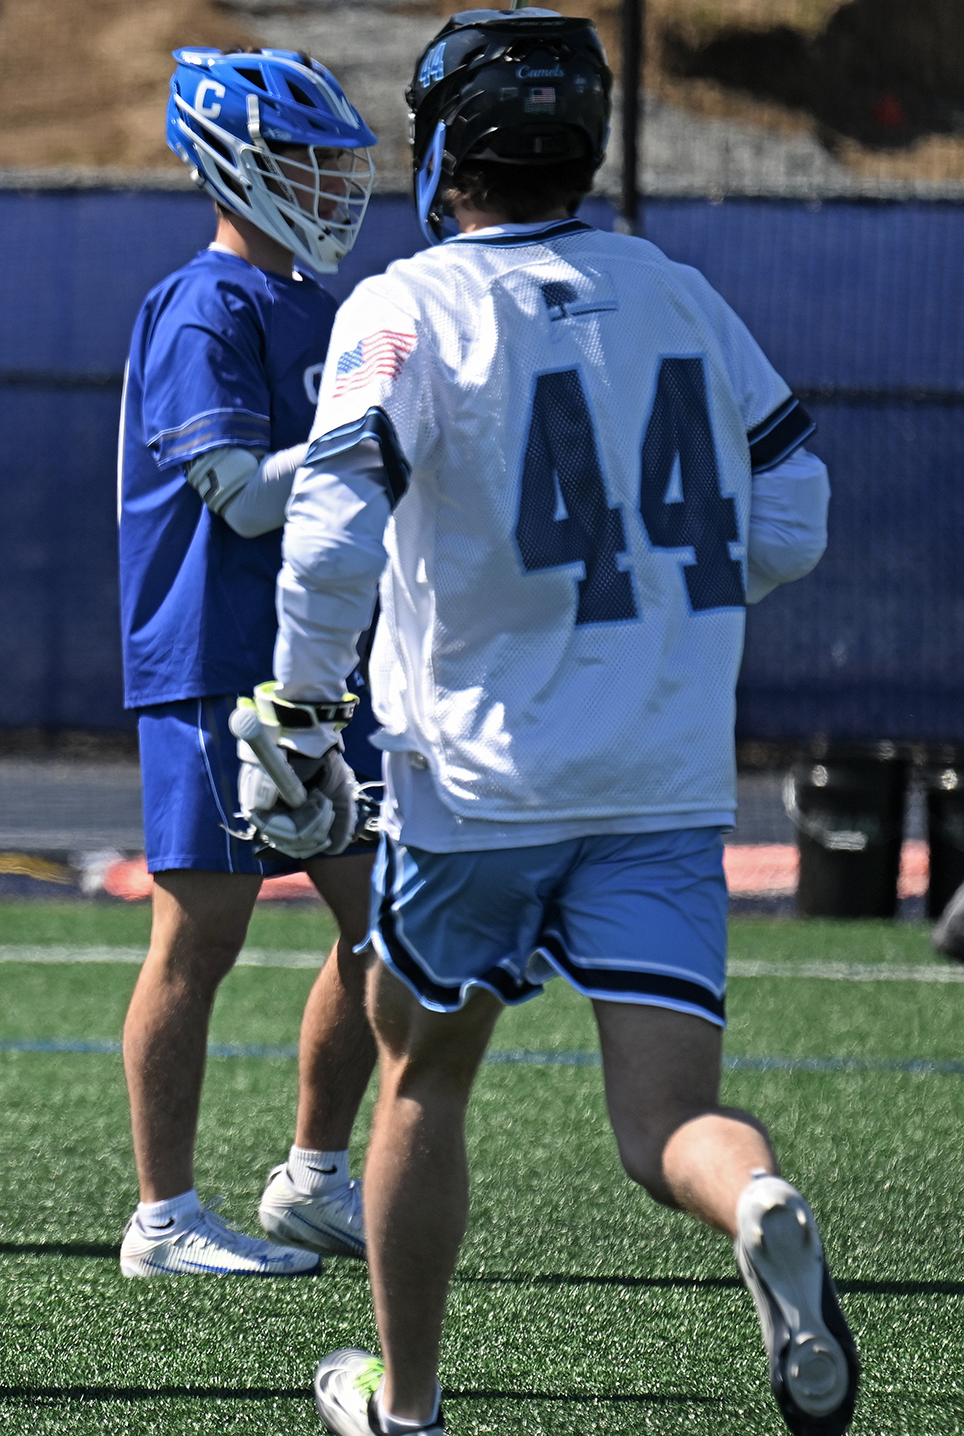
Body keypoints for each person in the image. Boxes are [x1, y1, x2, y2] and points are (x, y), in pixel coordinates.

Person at [250, 12, 853, 1435]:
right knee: (667, 1130)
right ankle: (754, 1199)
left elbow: (332, 537)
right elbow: (793, 515)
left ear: (445, 147)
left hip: (479, 784)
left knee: (421, 1086)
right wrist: (662, 584)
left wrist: (294, 702)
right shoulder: (683, 296)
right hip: (660, 777)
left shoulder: (406, 305)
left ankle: (402, 1407)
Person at [114, 46, 383, 1280]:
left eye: (335, 161)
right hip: (219, 661)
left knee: (390, 922)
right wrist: (380, 441)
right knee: (198, 938)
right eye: (304, 161)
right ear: (237, 164)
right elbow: (237, 494)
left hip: (314, 667)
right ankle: (163, 1215)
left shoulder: (315, 307)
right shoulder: (206, 302)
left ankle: (315, 1176)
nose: (329, 183)